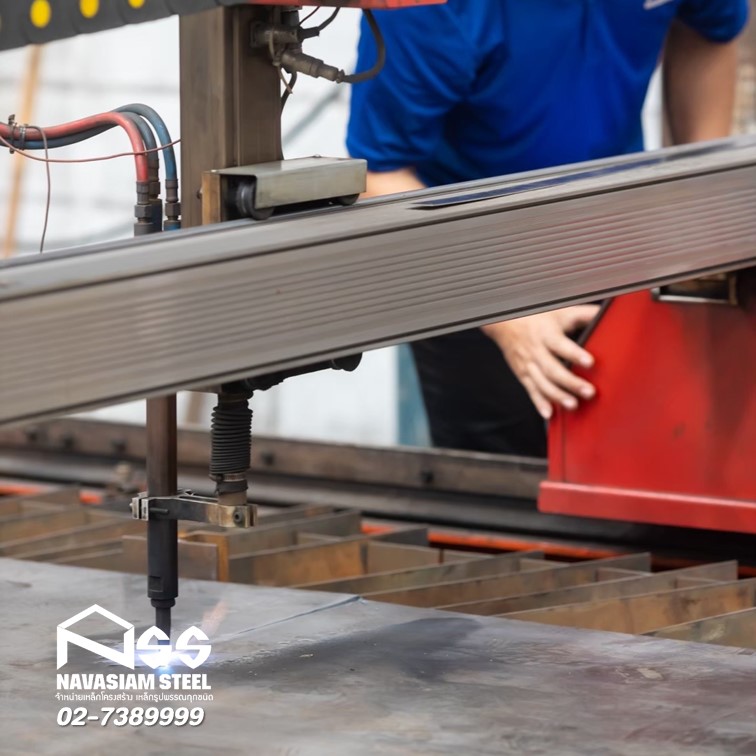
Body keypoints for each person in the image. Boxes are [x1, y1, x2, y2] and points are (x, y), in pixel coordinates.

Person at [347, 0, 748, 457]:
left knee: (645, 462)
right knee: (500, 480)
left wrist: (696, 204)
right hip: (468, 262)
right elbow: (376, 174)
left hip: (618, 239)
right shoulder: (428, 9)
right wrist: (503, 312)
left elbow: (712, 29)